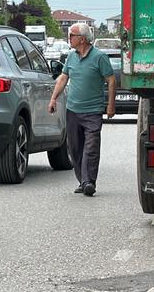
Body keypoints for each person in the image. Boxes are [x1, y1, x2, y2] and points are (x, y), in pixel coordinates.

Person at [48, 23, 115, 196]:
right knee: (75, 148)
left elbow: (111, 80)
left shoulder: (100, 57)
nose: (69, 38)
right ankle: (82, 180)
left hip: (93, 111)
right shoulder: (71, 56)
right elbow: (63, 78)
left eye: (72, 35)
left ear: (83, 39)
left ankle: (88, 181)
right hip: (73, 110)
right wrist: (53, 98)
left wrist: (110, 105)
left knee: (91, 147)